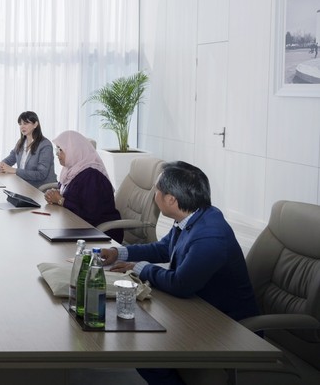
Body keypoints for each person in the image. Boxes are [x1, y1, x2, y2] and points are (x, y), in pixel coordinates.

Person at [101, 161, 259, 385]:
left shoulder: (210, 235)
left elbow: (181, 284)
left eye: (157, 190)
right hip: (198, 308)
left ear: (171, 200)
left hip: (228, 325)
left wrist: (140, 267)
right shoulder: (193, 217)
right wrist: (120, 253)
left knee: (147, 354)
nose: (154, 194)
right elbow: (164, 248)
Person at [43, 130, 123, 242]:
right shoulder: (71, 170)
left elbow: (90, 214)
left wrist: (60, 200)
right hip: (75, 225)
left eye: (60, 150)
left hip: (99, 232)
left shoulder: (92, 176)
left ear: (74, 151)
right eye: (57, 149)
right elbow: (69, 193)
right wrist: (53, 195)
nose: (57, 154)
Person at [0, 111, 57, 188]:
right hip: (24, 186)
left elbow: (41, 174)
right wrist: (1, 166)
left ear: (35, 124)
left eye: (25, 123)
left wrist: (14, 170)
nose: (22, 127)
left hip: (41, 188)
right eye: (20, 124)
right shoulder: (21, 142)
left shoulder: (45, 145)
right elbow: (10, 159)